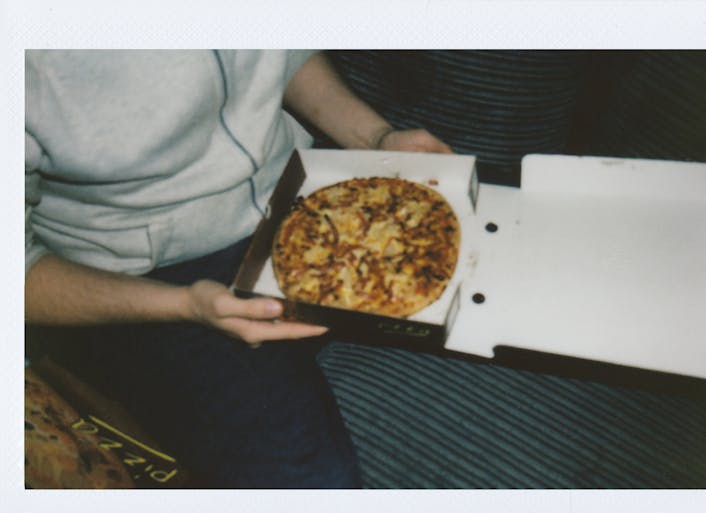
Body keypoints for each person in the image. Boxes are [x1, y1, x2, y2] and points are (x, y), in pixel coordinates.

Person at [25, 49, 451, 488]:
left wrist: (375, 138)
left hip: (302, 189)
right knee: (310, 485)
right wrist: (185, 306)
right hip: (151, 277)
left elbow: (280, 55)